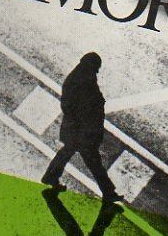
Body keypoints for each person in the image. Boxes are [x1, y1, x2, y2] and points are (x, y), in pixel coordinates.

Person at [42, 52, 124, 203]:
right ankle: (108, 192)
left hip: (80, 129)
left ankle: (50, 176)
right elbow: (71, 105)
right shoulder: (80, 80)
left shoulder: (83, 77)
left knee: (70, 153)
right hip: (81, 130)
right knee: (92, 161)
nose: (97, 71)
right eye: (96, 68)